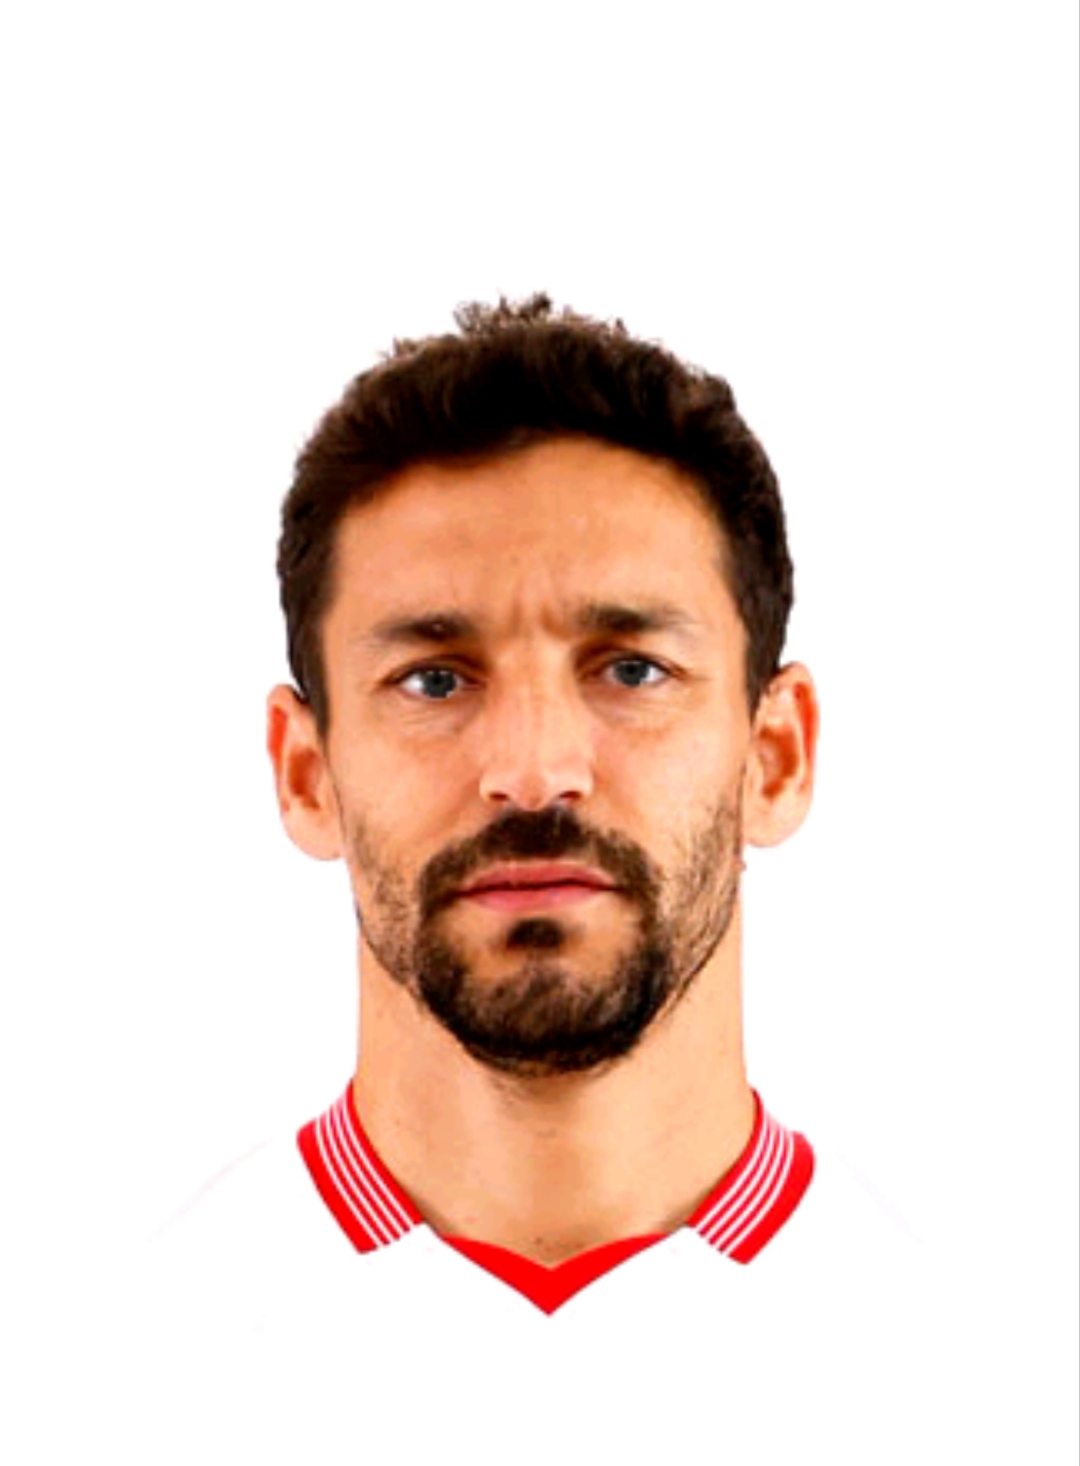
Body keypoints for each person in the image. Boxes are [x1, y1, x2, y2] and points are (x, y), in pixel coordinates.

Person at [90, 293, 982, 1462]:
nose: (534, 769)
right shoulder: (103, 1379)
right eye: (435, 679)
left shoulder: (989, 1373)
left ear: (778, 755)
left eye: (631, 668)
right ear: (306, 774)